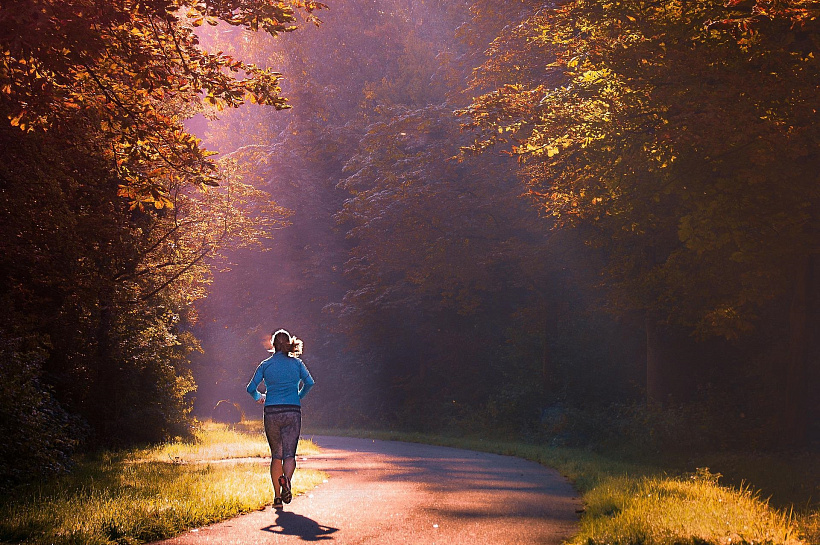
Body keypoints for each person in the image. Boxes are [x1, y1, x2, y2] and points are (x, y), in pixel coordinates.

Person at [247, 329, 315, 510]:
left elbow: (250, 388)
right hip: (292, 411)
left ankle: (277, 498)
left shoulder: (265, 365)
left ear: (273, 344)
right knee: (289, 454)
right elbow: (310, 382)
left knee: (276, 455)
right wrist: (298, 396)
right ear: (289, 344)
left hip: (272, 411)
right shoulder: (297, 364)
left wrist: (259, 397)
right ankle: (287, 481)